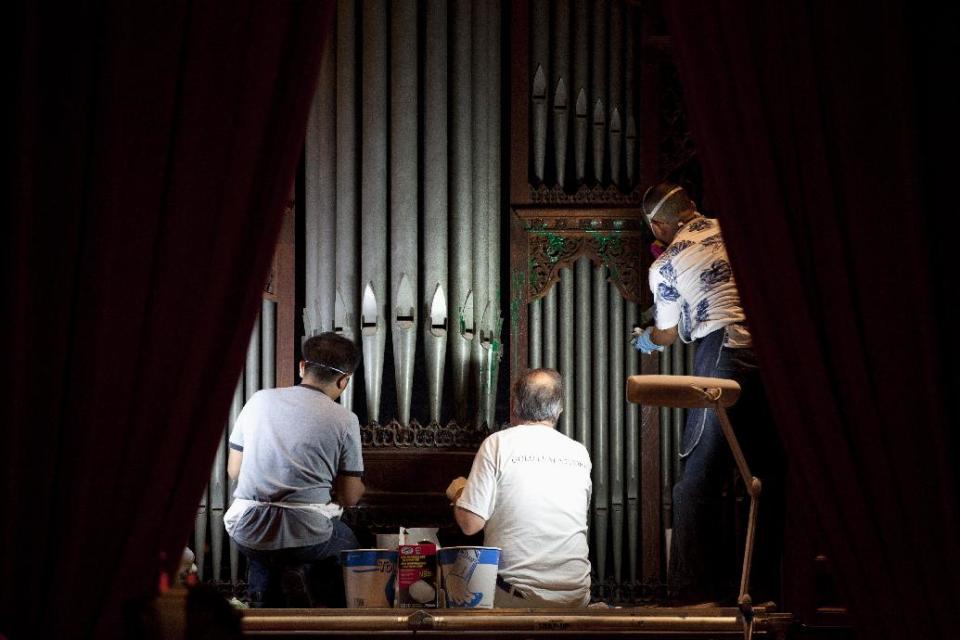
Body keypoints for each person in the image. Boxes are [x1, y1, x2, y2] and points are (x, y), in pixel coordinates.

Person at [632, 183, 785, 606]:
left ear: (659, 224)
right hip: (771, 350)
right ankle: (767, 589)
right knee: (763, 475)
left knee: (696, 479)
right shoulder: (730, 230)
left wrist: (646, 338)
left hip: (721, 350)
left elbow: (665, 334)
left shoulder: (666, 264)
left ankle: (691, 596)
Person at [225, 332, 365, 607]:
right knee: (347, 541)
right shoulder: (345, 419)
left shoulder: (258, 400)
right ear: (344, 381)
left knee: (265, 547)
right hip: (306, 535)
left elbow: (233, 471)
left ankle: (262, 600)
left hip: (248, 529)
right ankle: (320, 610)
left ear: (302, 366)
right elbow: (350, 497)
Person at [446, 369, 592, 608]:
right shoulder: (579, 452)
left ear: (514, 406)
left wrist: (460, 492)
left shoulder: (497, 443)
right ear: (559, 410)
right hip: (577, 597)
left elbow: (470, 524)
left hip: (520, 599)